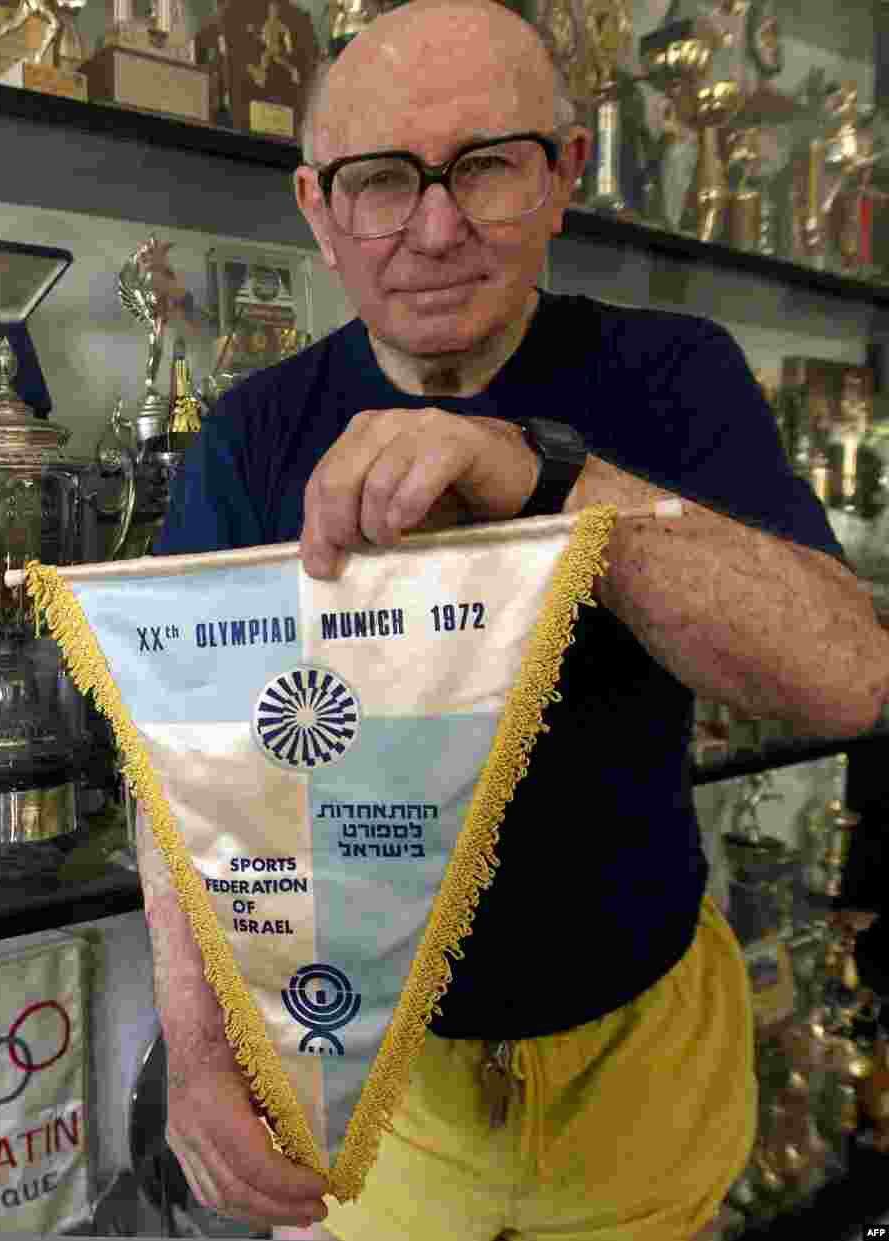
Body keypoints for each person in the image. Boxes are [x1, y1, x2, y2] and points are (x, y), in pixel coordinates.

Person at [146, 2, 889, 1238]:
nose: (436, 228)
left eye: (485, 166)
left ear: (565, 177)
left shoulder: (670, 374)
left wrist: (546, 476)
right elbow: (181, 758)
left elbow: (848, 680)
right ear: (318, 211)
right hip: (372, 1068)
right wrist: (197, 1044)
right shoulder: (251, 433)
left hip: (643, 1047)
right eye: (384, 180)